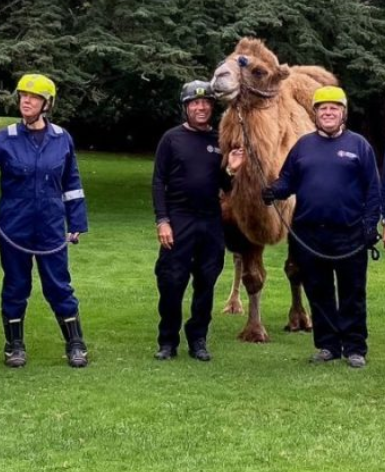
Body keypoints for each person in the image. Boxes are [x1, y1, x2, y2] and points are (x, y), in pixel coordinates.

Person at [0, 73, 89, 368]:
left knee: (59, 286)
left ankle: (75, 344)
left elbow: (72, 183)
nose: (26, 101)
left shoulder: (61, 138)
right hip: (14, 228)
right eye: (23, 96)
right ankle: (14, 345)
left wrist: (77, 221)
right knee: (16, 285)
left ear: (47, 104)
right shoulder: (5, 139)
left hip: (51, 228)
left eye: (34, 97)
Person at [241, 86, 381, 368]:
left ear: (343, 113)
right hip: (310, 235)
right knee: (319, 292)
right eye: (322, 109)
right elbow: (288, 180)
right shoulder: (303, 146)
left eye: (334, 109)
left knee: (353, 293)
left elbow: (374, 190)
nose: (328, 113)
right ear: (315, 114)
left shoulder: (359, 146)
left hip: (350, 233)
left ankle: (355, 347)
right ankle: (328, 345)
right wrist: (274, 191)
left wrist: (370, 225)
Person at [151, 80, 233, 362]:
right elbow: (158, 180)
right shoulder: (171, 139)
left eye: (206, 102)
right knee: (172, 282)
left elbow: (227, 186)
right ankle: (167, 341)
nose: (201, 107)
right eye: (195, 103)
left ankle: (198, 338)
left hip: (210, 221)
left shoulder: (219, 141)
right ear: (186, 107)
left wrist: (232, 171)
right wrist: (162, 220)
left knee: (206, 281)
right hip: (179, 218)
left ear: (212, 106)